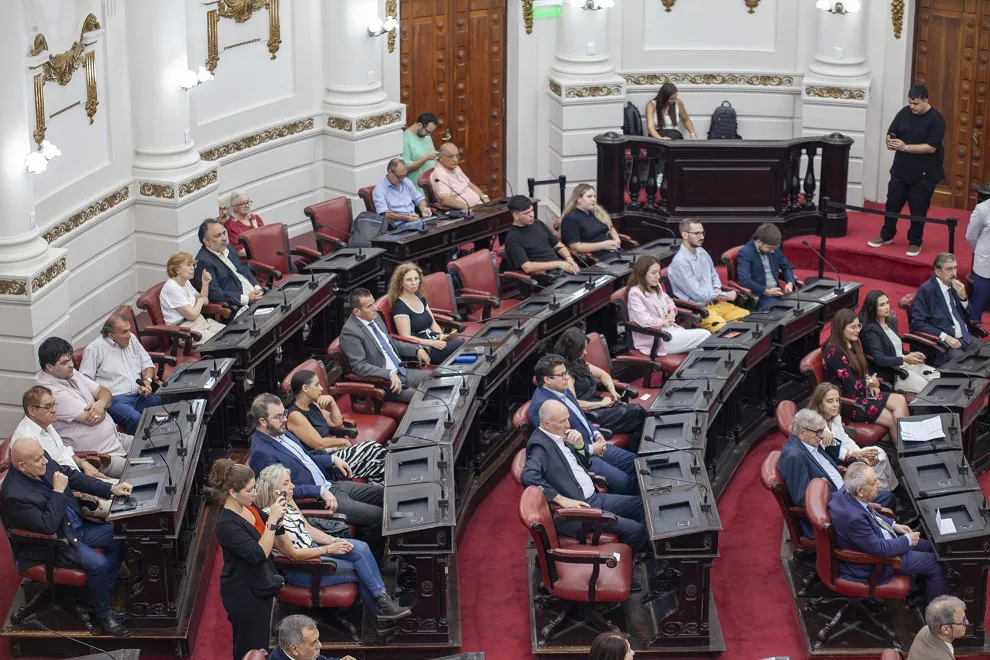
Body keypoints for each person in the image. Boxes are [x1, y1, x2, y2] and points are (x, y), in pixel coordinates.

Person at [1, 437, 132, 636]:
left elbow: (70, 475)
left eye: (43, 455)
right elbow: (47, 526)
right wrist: (58, 492)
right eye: (38, 459)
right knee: (99, 563)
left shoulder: (40, 459)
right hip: (55, 544)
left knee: (120, 537)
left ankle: (101, 591)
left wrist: (110, 489)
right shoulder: (14, 495)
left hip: (76, 526)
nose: (45, 460)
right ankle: (104, 614)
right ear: (21, 465)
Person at [255, 466, 410, 622]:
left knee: (361, 547)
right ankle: (381, 618)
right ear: (275, 490)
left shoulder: (287, 502)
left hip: (315, 549)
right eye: (287, 483)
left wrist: (333, 540)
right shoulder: (272, 518)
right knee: (364, 569)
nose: (293, 486)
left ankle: (383, 602)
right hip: (304, 569)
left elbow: (308, 529)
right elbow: (294, 555)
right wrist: (329, 549)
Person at [247, 394, 387, 561]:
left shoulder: (281, 431)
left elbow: (307, 458)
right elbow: (280, 491)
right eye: (278, 417)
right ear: (263, 421)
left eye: (284, 413)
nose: (284, 419)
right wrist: (319, 491)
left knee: (384, 494)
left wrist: (332, 459)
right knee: (377, 516)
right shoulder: (261, 452)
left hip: (330, 484)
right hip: (317, 498)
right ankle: (374, 563)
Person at [521, 400, 646, 549]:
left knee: (642, 505)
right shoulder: (540, 446)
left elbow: (583, 465)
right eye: (563, 421)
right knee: (637, 530)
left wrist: (580, 445)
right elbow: (528, 475)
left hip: (593, 497)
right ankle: (636, 559)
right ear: (547, 424)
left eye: (567, 419)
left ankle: (644, 547)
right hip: (581, 511)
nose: (568, 424)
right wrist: (561, 499)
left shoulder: (558, 435)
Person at [829, 462, 949, 602]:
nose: (879, 484)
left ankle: (924, 590)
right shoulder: (853, 519)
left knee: (930, 547)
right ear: (860, 491)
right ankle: (938, 613)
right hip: (877, 563)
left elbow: (868, 511)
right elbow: (880, 549)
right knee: (935, 563)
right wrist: (907, 540)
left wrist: (893, 524)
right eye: (874, 482)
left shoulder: (846, 491)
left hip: (883, 540)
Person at [527, 354, 639, 494]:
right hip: (581, 456)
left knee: (636, 463)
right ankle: (626, 508)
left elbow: (581, 416)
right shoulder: (542, 407)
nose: (567, 378)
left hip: (594, 443)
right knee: (623, 481)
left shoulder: (562, 389)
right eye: (562, 375)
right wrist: (591, 449)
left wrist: (596, 433)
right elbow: (558, 445)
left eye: (566, 373)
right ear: (547, 379)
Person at [210, 458, 285, 660]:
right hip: (244, 593)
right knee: (250, 649)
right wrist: (271, 520)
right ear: (233, 493)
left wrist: (278, 512)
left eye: (255, 487)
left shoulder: (249, 507)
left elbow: (274, 530)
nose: (255, 493)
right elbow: (258, 554)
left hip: (259, 583)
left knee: (260, 643)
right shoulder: (226, 524)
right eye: (250, 489)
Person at [36, 337, 132, 478]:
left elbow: (105, 392)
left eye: (70, 359)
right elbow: (93, 418)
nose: (71, 365)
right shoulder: (49, 392)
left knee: (158, 447)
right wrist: (102, 404)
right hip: (100, 457)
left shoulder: (70, 373)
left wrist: (99, 404)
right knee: (144, 470)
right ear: (49, 366)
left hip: (117, 439)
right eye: (64, 362)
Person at [868, 84, 946, 257]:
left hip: (924, 174)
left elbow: (932, 147)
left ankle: (915, 242)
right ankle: (886, 234)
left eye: (916, 104)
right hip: (900, 170)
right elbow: (892, 131)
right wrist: (890, 141)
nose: (912, 107)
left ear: (926, 100)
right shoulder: (904, 112)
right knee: (892, 204)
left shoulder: (936, 119)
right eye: (910, 103)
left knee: (918, 209)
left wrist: (905, 147)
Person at [13, 386, 114, 516]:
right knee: (126, 507)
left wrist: (84, 463)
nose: (54, 410)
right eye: (48, 407)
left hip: (81, 479)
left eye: (53, 405)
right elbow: (41, 481)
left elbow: (63, 451)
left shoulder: (45, 423)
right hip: (73, 495)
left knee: (128, 490)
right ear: (32, 410)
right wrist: (80, 493)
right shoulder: (27, 440)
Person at [285, 369, 388, 485]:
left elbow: (336, 422)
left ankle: (380, 490)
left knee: (376, 459)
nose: (321, 389)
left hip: (334, 452)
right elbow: (319, 443)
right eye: (317, 385)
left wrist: (332, 401)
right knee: (373, 448)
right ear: (305, 388)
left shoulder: (312, 405)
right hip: (325, 462)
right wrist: (343, 441)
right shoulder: (295, 415)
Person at [823, 309, 910, 441]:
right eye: (853, 327)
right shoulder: (834, 352)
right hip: (849, 401)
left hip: (862, 392)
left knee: (900, 400)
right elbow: (850, 386)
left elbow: (863, 368)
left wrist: (870, 382)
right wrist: (869, 383)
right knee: (891, 419)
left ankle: (909, 443)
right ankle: (902, 453)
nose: (857, 330)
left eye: (858, 325)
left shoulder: (854, 342)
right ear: (841, 328)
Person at [554, 327, 647, 446]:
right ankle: (636, 451)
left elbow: (603, 374)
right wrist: (601, 404)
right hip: (590, 414)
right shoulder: (564, 372)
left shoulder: (578, 362)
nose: (585, 353)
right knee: (637, 413)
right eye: (582, 350)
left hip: (598, 405)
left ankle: (635, 449)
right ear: (573, 350)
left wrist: (612, 390)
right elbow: (573, 403)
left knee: (636, 414)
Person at [339, 287, 431, 403]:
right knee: (424, 398)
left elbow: (392, 343)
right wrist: (389, 374)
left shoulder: (375, 317)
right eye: (369, 306)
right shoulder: (350, 333)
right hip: (384, 383)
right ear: (357, 311)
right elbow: (360, 366)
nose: (375, 308)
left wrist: (417, 349)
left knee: (435, 380)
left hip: (402, 371)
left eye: (373, 303)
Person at [807, 383, 900, 494]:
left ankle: (892, 488)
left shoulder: (834, 416)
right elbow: (835, 453)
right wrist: (858, 456)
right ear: (820, 404)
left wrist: (861, 453)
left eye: (837, 400)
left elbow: (844, 439)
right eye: (830, 401)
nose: (836, 405)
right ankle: (883, 493)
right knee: (873, 462)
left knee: (878, 453)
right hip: (836, 465)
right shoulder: (816, 428)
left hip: (849, 455)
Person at [79, 311, 160, 434]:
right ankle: (133, 450)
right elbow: (84, 381)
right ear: (111, 335)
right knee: (135, 418)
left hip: (139, 395)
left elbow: (147, 364)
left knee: (162, 402)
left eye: (129, 330)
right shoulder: (94, 349)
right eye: (124, 332)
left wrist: (147, 383)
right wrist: (99, 402)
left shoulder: (132, 339)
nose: (129, 335)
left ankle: (159, 441)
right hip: (116, 400)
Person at [667, 219, 750, 331]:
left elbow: (713, 274)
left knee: (749, 320)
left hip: (715, 304)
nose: (702, 237)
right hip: (699, 311)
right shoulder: (680, 262)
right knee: (728, 331)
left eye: (702, 233)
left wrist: (716, 288)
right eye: (697, 233)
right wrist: (724, 295)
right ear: (685, 235)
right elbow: (698, 295)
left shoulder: (701, 251)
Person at [625, 256, 709, 355]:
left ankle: (693, 369)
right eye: (653, 273)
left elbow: (669, 301)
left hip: (671, 330)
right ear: (642, 273)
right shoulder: (635, 293)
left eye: (658, 272)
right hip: (657, 339)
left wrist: (672, 313)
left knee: (699, 349)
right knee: (705, 335)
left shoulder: (656, 285)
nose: (658, 276)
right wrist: (663, 322)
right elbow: (644, 320)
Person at [859, 289, 935, 393]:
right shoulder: (871, 330)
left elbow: (897, 348)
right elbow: (880, 359)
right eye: (882, 305)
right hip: (895, 373)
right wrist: (904, 359)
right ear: (872, 308)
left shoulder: (889, 321)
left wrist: (912, 354)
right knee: (927, 388)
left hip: (905, 363)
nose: (887, 307)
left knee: (936, 376)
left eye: (887, 303)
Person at [387, 263, 464, 364]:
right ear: (400, 282)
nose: (414, 283)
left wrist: (441, 335)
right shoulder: (399, 306)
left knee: (463, 348)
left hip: (434, 339)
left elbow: (433, 323)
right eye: (409, 280)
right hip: (423, 348)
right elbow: (405, 337)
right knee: (461, 346)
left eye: (416, 279)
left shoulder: (420, 297)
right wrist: (432, 343)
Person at [910, 252, 975, 365]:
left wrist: (964, 298)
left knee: (986, 353)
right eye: (949, 269)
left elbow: (969, 316)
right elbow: (917, 323)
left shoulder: (956, 286)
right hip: (944, 344)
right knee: (966, 366)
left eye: (955, 268)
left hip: (965, 337)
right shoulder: (927, 290)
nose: (954, 273)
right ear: (938, 271)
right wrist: (945, 337)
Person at [503, 194, 579, 286]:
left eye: (532, 210)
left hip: (560, 267)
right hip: (544, 276)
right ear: (516, 216)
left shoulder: (538, 223)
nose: (532, 215)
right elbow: (527, 267)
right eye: (527, 213)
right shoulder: (512, 238)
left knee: (591, 282)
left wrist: (569, 259)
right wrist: (558, 264)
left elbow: (557, 245)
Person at [195, 218, 263, 313]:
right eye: (218, 236)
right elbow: (215, 293)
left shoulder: (229, 248)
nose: (224, 238)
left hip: (256, 296)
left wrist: (257, 287)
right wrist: (247, 298)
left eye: (224, 233)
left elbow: (244, 269)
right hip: (239, 307)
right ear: (206, 241)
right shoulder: (203, 262)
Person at [160, 251, 226, 345]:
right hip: (185, 331)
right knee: (223, 343)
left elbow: (204, 300)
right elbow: (191, 315)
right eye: (188, 265)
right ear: (176, 269)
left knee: (230, 334)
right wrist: (200, 300)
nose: (192, 268)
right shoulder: (172, 288)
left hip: (200, 322)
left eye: (192, 265)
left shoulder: (185, 282)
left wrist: (205, 284)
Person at [736, 223, 797, 309]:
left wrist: (789, 283)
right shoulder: (746, 253)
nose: (772, 251)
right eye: (770, 248)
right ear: (759, 241)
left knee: (800, 305)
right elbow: (744, 280)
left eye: (775, 248)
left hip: (778, 292)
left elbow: (786, 267)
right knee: (783, 312)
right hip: (760, 296)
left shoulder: (774, 248)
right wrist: (766, 291)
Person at [559, 184, 622, 262]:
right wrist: (604, 245)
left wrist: (617, 240)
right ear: (579, 199)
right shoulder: (571, 218)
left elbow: (611, 228)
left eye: (594, 196)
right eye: (589, 196)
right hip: (598, 258)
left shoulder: (597, 212)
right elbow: (576, 247)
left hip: (616, 251)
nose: (593, 199)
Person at [372, 158, 433, 230]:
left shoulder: (406, 181)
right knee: (423, 226)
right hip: (398, 227)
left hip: (415, 221)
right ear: (390, 172)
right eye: (400, 176)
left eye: (404, 175)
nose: (402, 179)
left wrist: (424, 209)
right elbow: (384, 213)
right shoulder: (380, 189)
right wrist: (407, 218)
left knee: (435, 221)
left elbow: (419, 199)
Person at [907, 595, 969, 660]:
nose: (967, 622)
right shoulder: (943, 658)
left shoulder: (925, 630)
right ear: (945, 629)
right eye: (963, 621)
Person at [269, 614, 356, 660]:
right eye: (313, 643)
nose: (320, 645)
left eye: (318, 639)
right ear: (294, 649)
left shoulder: (301, 655)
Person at [432, 142, 490, 210]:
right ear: (441, 157)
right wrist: (469, 209)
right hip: (467, 212)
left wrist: (485, 197)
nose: (456, 160)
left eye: (457, 156)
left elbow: (471, 185)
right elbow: (446, 200)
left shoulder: (456, 168)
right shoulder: (440, 174)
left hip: (479, 206)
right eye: (451, 156)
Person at [401, 112, 440, 195]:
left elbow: (434, 160)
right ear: (419, 125)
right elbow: (406, 168)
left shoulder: (426, 136)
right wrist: (426, 157)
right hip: (419, 190)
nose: (429, 135)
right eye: (427, 131)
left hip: (434, 185)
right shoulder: (405, 139)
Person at [965, 195, 990, 322]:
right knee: (977, 304)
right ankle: (973, 335)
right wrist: (982, 252)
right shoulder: (983, 209)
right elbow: (971, 236)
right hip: (985, 268)